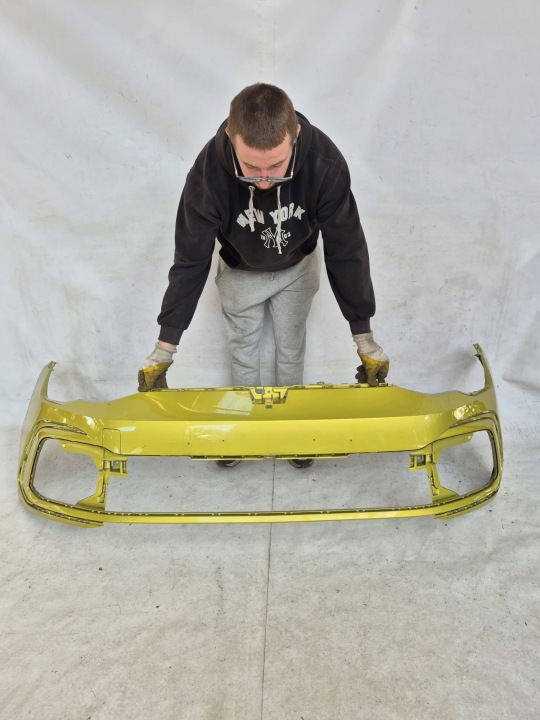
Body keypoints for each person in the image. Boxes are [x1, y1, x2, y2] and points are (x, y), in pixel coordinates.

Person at [138, 83, 389, 468]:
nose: (265, 181)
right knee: (243, 351)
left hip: (298, 266)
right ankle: (243, 432)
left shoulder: (324, 163)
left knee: (291, 349)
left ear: (295, 135)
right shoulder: (207, 175)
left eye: (276, 166)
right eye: (252, 168)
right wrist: (164, 348)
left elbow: (347, 247)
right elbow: (190, 260)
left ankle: (292, 432)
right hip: (240, 271)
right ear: (230, 136)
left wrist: (364, 337)